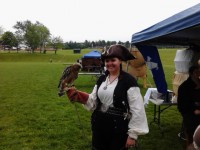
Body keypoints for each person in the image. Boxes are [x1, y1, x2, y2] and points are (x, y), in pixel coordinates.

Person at [65, 44, 149, 150]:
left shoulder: (129, 81)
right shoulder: (102, 79)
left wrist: (132, 135)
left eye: (113, 60)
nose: (109, 63)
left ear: (120, 61)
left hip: (118, 128)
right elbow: (93, 101)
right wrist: (79, 96)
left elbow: (137, 109)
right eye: (107, 61)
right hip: (99, 126)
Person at [177, 65, 200, 149]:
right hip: (190, 115)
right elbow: (182, 105)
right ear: (191, 73)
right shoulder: (184, 87)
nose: (198, 74)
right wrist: (194, 109)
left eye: (199, 72)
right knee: (191, 136)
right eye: (196, 72)